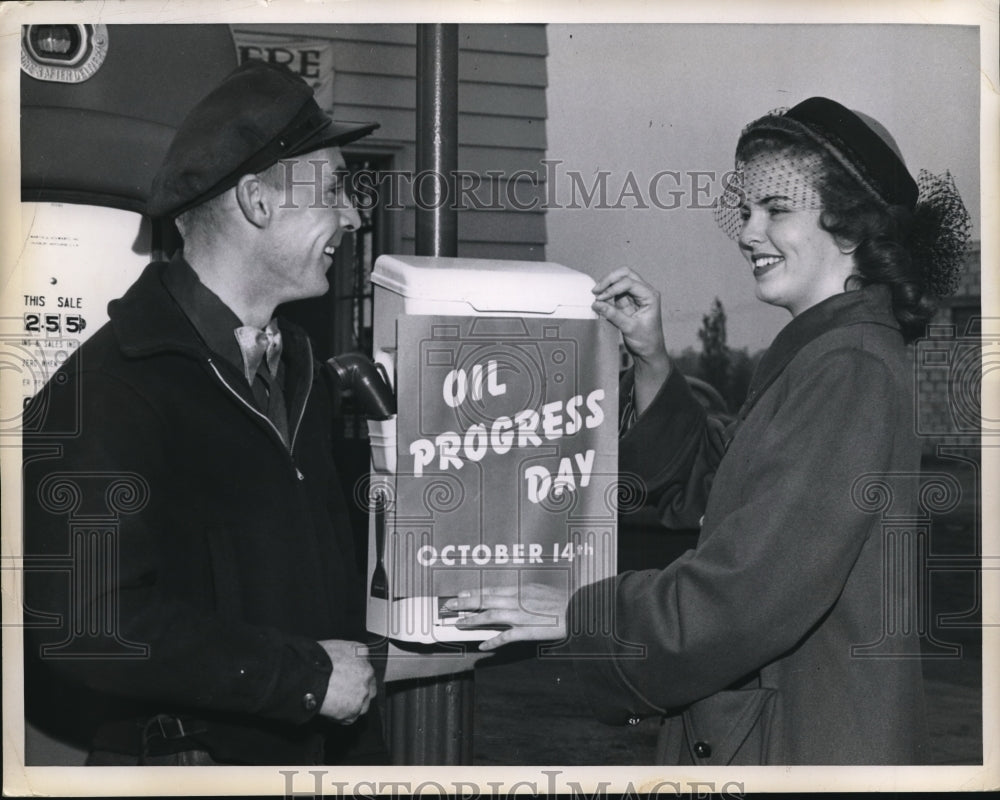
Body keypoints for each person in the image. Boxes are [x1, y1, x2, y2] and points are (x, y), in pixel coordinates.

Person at [447, 97, 971, 764]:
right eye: (747, 210)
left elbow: (751, 589)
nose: (748, 232)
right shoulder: (827, 354)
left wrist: (579, 615)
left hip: (801, 746)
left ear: (854, 227)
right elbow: (723, 486)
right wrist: (654, 357)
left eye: (776, 210)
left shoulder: (849, 368)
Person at [22, 61, 386, 766]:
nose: (355, 215)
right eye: (335, 189)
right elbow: (94, 623)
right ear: (256, 202)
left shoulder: (296, 365)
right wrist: (304, 680)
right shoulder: (111, 388)